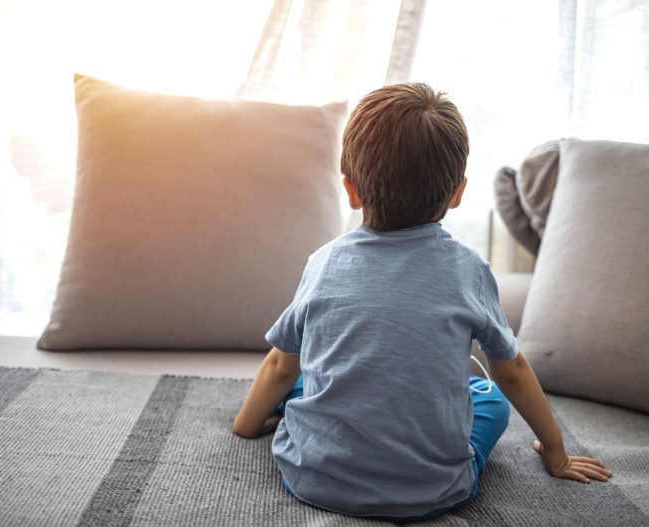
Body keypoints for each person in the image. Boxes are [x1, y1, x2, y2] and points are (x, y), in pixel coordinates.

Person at [232, 83, 612, 523]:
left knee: (306, 384)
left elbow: (282, 364)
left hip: (312, 478)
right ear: (457, 192)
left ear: (351, 191)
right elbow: (512, 371)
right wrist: (556, 450)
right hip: (433, 493)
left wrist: (244, 427)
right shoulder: (469, 270)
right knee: (489, 398)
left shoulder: (324, 262)